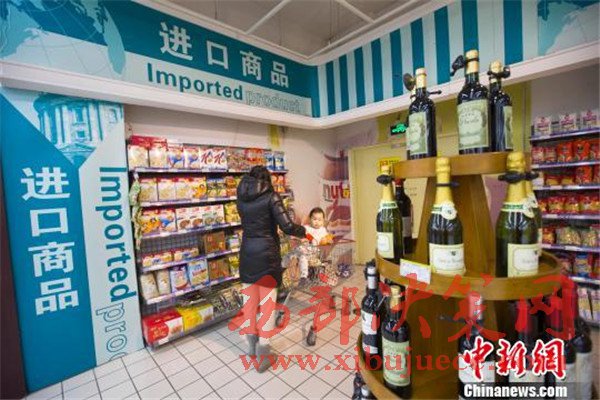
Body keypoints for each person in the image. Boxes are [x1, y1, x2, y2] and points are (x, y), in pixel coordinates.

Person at [236, 165, 306, 372]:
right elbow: (287, 226)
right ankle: (264, 354)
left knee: (249, 303)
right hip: (266, 254)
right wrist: (304, 231)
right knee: (267, 305)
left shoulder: (241, 197)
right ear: (267, 180)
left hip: (247, 252)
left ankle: (251, 345)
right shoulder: (271, 196)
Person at [298, 207, 334, 285]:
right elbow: (302, 236)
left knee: (322, 262)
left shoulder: (323, 230)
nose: (317, 222)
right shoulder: (306, 228)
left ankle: (318, 275)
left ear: (323, 221)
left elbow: (327, 238)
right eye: (314, 219)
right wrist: (303, 238)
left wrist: (329, 240)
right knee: (302, 258)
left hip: (317, 253)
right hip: (307, 251)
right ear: (310, 219)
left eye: (319, 220)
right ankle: (303, 277)